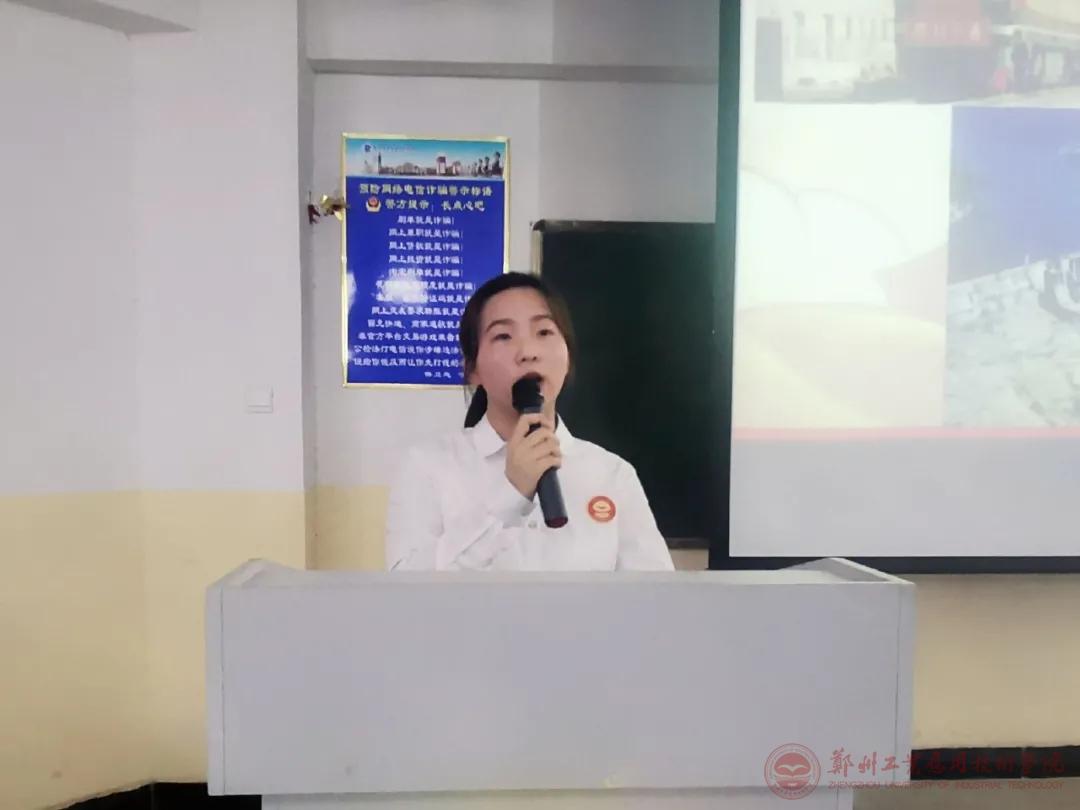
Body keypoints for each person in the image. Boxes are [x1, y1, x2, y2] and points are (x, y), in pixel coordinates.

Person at [384, 272, 675, 572]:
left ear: (568, 356)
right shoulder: (428, 466)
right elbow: (406, 586)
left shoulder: (611, 474)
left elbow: (655, 593)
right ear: (473, 370)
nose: (528, 353)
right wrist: (511, 495)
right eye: (503, 336)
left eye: (544, 332)